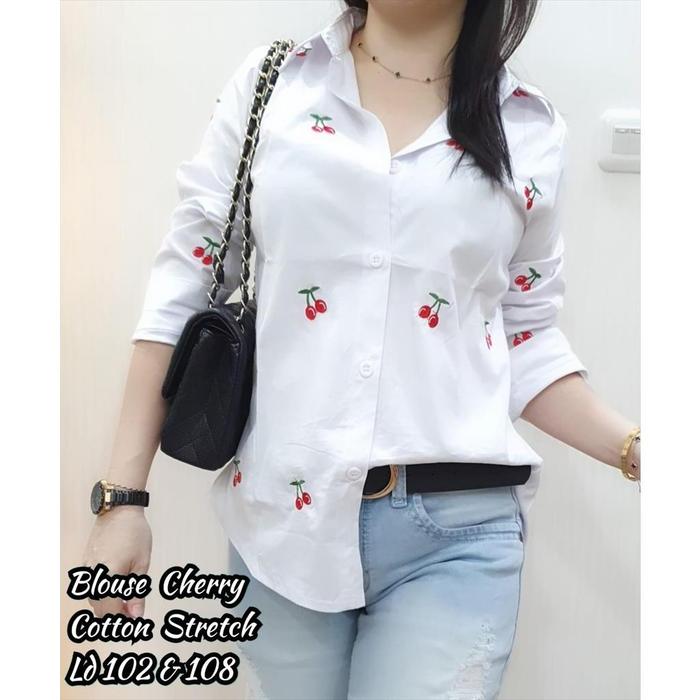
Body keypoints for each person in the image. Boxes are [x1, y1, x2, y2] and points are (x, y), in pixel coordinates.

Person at [83, 1, 640, 698]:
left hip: (458, 535)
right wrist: (122, 500)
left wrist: (634, 448)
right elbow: (183, 288)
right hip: (283, 527)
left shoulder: (528, 127)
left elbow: (522, 336)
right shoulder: (275, 86)